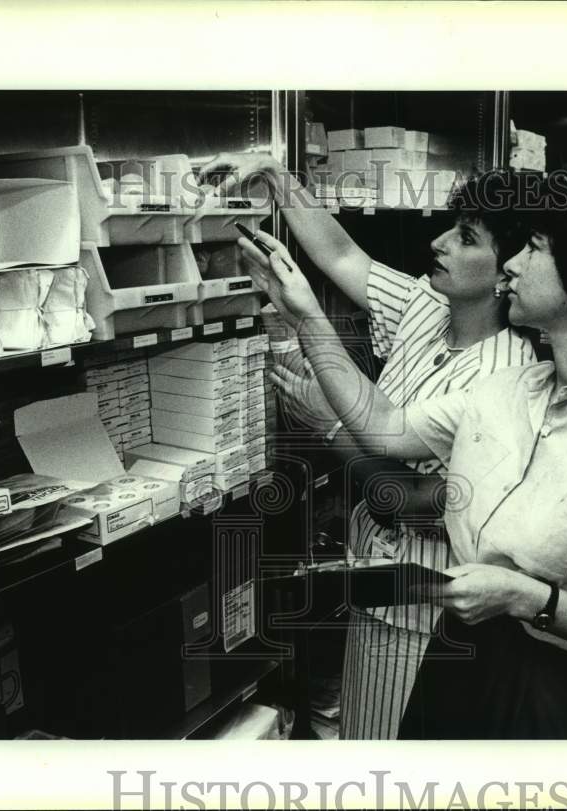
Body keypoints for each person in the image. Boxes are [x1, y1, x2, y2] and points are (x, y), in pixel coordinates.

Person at [251, 170, 567, 739]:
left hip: (559, 689)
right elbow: (386, 427)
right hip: (459, 652)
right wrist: (307, 317)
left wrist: (530, 598)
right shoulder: (510, 392)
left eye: (534, 249)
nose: (512, 265)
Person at [201, 154, 537, 739]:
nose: (438, 243)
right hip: (377, 578)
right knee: (364, 730)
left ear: (507, 270)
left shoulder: (506, 375)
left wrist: (329, 427)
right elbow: (340, 255)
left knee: (390, 752)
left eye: (465, 238)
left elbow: (410, 500)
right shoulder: (427, 307)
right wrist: (275, 177)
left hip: (426, 605)